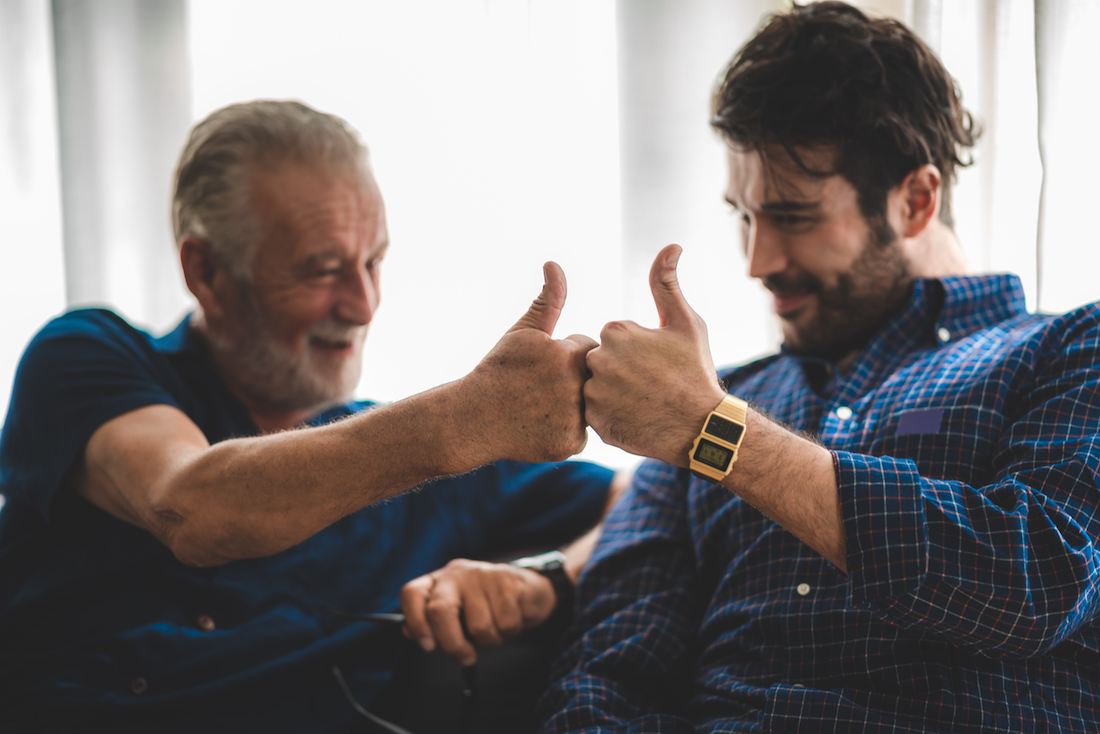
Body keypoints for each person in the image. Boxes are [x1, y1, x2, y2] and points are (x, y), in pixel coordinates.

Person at [541, 2, 1100, 731]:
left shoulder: (1068, 351)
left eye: (793, 216)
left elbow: (1037, 579)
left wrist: (719, 437)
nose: (756, 262)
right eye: (743, 216)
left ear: (916, 200)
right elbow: (610, 669)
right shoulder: (722, 394)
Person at [0, 100, 622, 732]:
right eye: (323, 270)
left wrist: (546, 582)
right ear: (206, 272)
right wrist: (471, 416)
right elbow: (189, 507)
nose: (363, 304)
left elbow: (646, 495)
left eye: (374, 261)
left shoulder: (433, 480)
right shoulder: (86, 356)